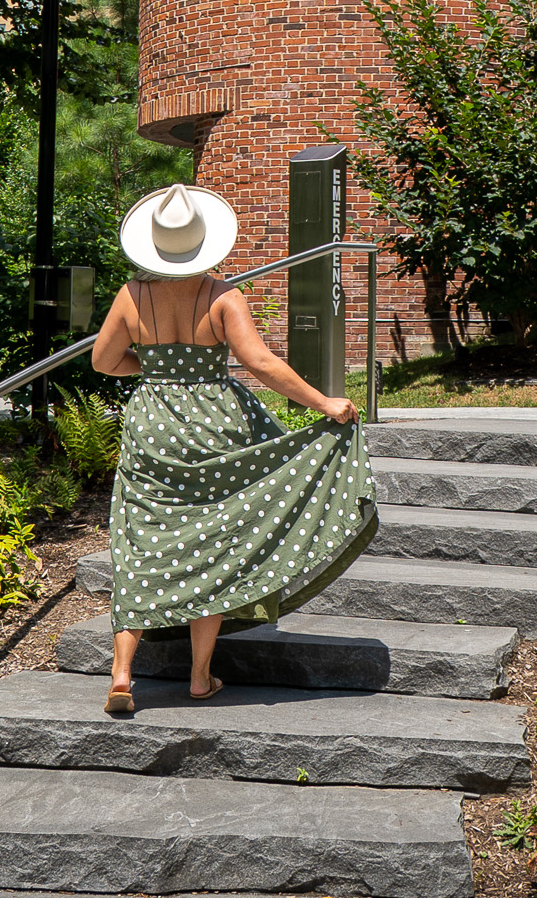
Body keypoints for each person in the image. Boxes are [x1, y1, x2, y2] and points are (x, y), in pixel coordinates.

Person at [90, 181, 377, 715]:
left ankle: (122, 675)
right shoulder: (223, 296)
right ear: (204, 243)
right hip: (215, 425)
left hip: (152, 425)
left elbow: (104, 361)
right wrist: (324, 404)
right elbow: (262, 364)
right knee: (213, 543)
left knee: (140, 546)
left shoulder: (131, 296)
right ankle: (200, 678)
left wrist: (155, 370)